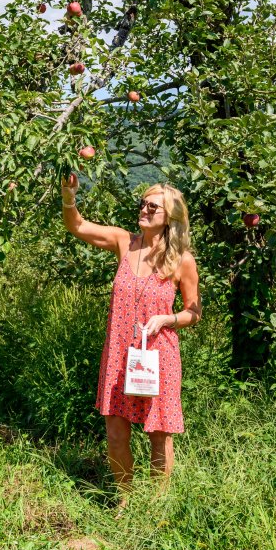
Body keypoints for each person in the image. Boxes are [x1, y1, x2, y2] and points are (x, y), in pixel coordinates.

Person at [61, 173, 201, 493]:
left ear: (171, 218)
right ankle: (125, 498)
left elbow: (194, 311)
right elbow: (77, 225)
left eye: (154, 207)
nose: (146, 210)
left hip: (158, 353)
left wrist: (167, 319)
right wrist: (69, 196)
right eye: (143, 204)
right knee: (115, 434)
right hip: (120, 353)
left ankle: (155, 507)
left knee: (159, 434)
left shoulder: (182, 260)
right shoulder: (125, 242)